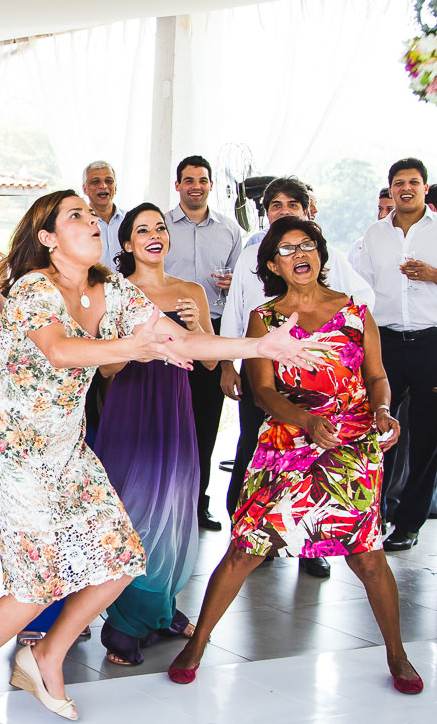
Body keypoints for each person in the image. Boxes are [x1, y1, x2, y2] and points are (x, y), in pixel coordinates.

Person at [0, 190, 318, 724]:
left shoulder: (110, 288)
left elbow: (179, 338)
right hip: (14, 446)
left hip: (66, 443)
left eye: (92, 214)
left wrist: (259, 349)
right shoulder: (35, 287)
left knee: (122, 558)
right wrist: (135, 349)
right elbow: (60, 350)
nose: (92, 222)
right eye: (75, 216)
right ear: (47, 239)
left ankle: (45, 657)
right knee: (37, 582)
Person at [169, 216, 423, 696]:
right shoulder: (266, 318)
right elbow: (260, 389)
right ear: (271, 264)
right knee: (246, 548)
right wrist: (305, 422)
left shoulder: (355, 313)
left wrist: (384, 411)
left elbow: (377, 377)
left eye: (307, 245)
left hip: (351, 448)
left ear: (322, 255)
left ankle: (397, 652)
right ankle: (197, 644)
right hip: (286, 447)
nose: (299, 254)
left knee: (367, 558)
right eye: (286, 249)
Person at [218, 176, 374, 579]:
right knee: (254, 448)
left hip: (323, 383)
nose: (282, 209)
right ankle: (254, 536)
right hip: (264, 365)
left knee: (327, 477)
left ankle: (315, 546)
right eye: (274, 204)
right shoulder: (252, 253)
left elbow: (362, 305)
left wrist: (327, 336)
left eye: (291, 203)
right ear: (264, 212)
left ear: (307, 210)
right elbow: (237, 310)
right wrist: (228, 364)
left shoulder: (328, 255)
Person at [94, 203, 212, 666]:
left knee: (173, 509)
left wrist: (199, 328)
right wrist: (136, 342)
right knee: (132, 511)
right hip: (129, 408)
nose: (154, 235)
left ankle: (159, 608)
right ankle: (122, 625)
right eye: (142, 230)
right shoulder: (111, 293)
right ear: (126, 244)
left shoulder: (191, 291)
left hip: (175, 409)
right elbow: (104, 367)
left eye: (160, 227)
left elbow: (208, 362)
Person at [358, 158, 437, 551]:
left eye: (413, 182)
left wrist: (433, 275)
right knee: (379, 427)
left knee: (428, 434)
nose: (405, 188)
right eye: (398, 183)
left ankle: (410, 524)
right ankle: (372, 515)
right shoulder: (374, 235)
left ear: (425, 188)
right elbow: (360, 295)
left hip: (433, 342)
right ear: (390, 189)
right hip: (386, 342)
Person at [163, 155, 243, 531]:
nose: (196, 185)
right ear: (177, 185)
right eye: (189, 179)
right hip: (164, 332)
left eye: (203, 180)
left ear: (211, 185)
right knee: (166, 422)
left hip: (209, 328)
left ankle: (197, 504)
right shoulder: (158, 227)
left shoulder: (229, 230)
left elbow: (240, 288)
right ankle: (164, 504)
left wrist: (230, 285)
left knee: (205, 424)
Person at [82, 160, 125, 269]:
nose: (103, 186)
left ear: (115, 187)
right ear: (84, 189)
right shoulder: (78, 224)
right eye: (95, 182)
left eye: (109, 181)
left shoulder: (131, 221)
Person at [349, 188, 394, 274]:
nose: (382, 215)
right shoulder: (359, 244)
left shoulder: (405, 246)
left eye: (389, 209)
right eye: (380, 209)